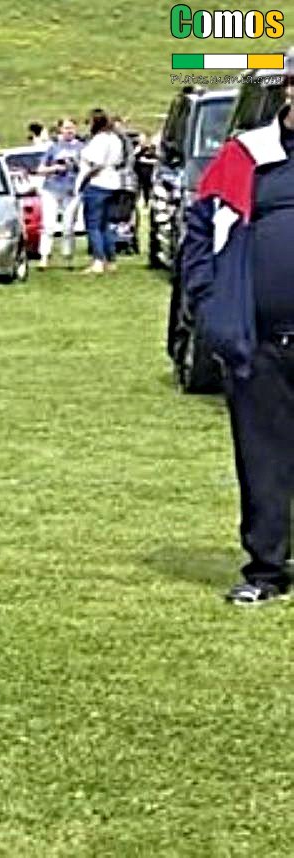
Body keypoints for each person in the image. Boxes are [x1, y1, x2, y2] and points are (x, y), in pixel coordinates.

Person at [180, 66, 294, 605]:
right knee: (263, 459)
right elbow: (200, 232)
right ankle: (267, 571)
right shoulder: (246, 155)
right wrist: (210, 304)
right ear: (289, 89)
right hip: (262, 341)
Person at [76, 109, 124, 274]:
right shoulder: (115, 138)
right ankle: (111, 260)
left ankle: (98, 260)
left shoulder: (99, 140)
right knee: (106, 225)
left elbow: (97, 164)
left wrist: (84, 180)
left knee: (93, 225)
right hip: (113, 183)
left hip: (97, 184)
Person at [34, 117, 84, 269]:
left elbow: (87, 168)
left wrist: (76, 166)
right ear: (60, 130)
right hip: (52, 188)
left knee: (68, 226)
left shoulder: (82, 147)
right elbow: (40, 169)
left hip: (72, 189)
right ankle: (44, 256)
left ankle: (68, 257)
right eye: (66, 128)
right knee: (48, 224)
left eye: (72, 128)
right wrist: (54, 168)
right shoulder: (53, 147)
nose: (69, 131)